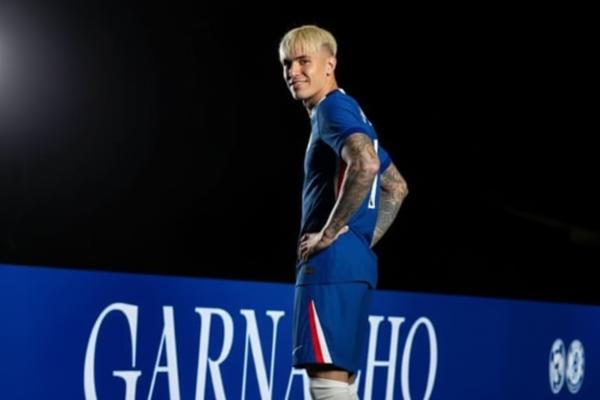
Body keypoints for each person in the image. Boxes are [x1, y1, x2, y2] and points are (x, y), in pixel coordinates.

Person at [279, 25, 409, 399]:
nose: (293, 72)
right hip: (354, 266)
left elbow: (366, 164)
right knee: (340, 383)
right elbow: (396, 186)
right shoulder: (352, 112)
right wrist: (357, 240)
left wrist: (330, 233)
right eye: (287, 64)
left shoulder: (332, 108)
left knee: (326, 382)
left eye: (304, 61)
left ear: (329, 64)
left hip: (330, 268)